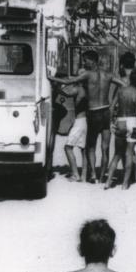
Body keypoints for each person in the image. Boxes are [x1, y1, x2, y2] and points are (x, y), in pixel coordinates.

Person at [50, 49, 125, 184]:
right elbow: (123, 85)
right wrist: (114, 103)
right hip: (106, 111)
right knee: (105, 147)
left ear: (92, 61)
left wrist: (50, 78)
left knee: (91, 146)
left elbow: (68, 82)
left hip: (94, 112)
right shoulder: (108, 74)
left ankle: (94, 177)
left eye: (85, 60)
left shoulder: (88, 75)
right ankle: (102, 176)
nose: (84, 63)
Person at [105, 68, 136, 190]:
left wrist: (111, 122)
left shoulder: (121, 91)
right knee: (129, 154)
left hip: (121, 121)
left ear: (129, 78)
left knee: (117, 154)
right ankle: (125, 184)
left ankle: (108, 182)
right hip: (133, 123)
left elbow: (111, 108)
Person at [63, 82, 89, 182]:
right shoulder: (88, 89)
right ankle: (84, 175)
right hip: (85, 120)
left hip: (79, 122)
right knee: (83, 149)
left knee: (68, 147)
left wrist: (57, 87)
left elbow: (66, 93)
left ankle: (75, 174)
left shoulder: (79, 89)